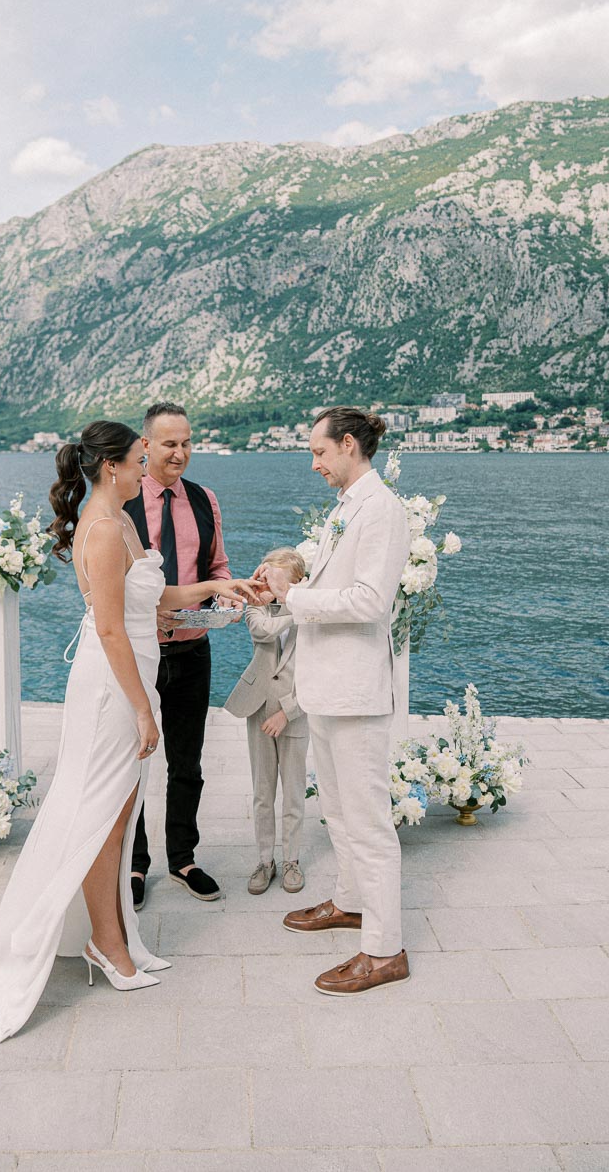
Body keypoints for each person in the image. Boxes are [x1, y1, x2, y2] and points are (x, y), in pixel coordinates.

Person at [0, 421, 252, 1041]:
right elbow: (109, 631)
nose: (147, 470)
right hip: (113, 687)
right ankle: (106, 945)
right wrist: (141, 708)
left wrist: (219, 584)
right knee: (101, 817)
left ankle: (118, 936)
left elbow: (157, 598)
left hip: (130, 677)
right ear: (112, 467)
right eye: (139, 460)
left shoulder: (123, 523)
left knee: (119, 810)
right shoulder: (104, 530)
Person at [260, 407, 411, 997]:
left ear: (349, 445)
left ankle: (384, 949)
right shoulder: (348, 508)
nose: (315, 464)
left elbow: (372, 601)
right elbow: (326, 587)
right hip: (328, 689)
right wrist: (281, 589)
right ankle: (352, 903)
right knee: (340, 813)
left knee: (369, 823)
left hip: (355, 693)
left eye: (320, 452)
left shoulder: (382, 510)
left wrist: (295, 596)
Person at [124, 401, 236, 907]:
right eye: (170, 443)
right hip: (140, 653)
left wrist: (225, 599)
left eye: (187, 443)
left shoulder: (203, 498)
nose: (181, 453)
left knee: (186, 762)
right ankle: (135, 862)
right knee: (133, 763)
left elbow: (216, 565)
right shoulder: (122, 502)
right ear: (145, 446)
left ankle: (183, 858)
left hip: (193, 650)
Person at [224, 546, 309, 896]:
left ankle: (291, 860)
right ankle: (264, 860)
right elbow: (262, 632)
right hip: (258, 709)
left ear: (296, 582)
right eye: (267, 576)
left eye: (276, 578)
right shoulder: (259, 610)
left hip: (295, 713)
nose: (269, 583)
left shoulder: (316, 618)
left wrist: (287, 712)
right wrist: (296, 609)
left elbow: (317, 674)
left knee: (293, 793)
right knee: (262, 792)